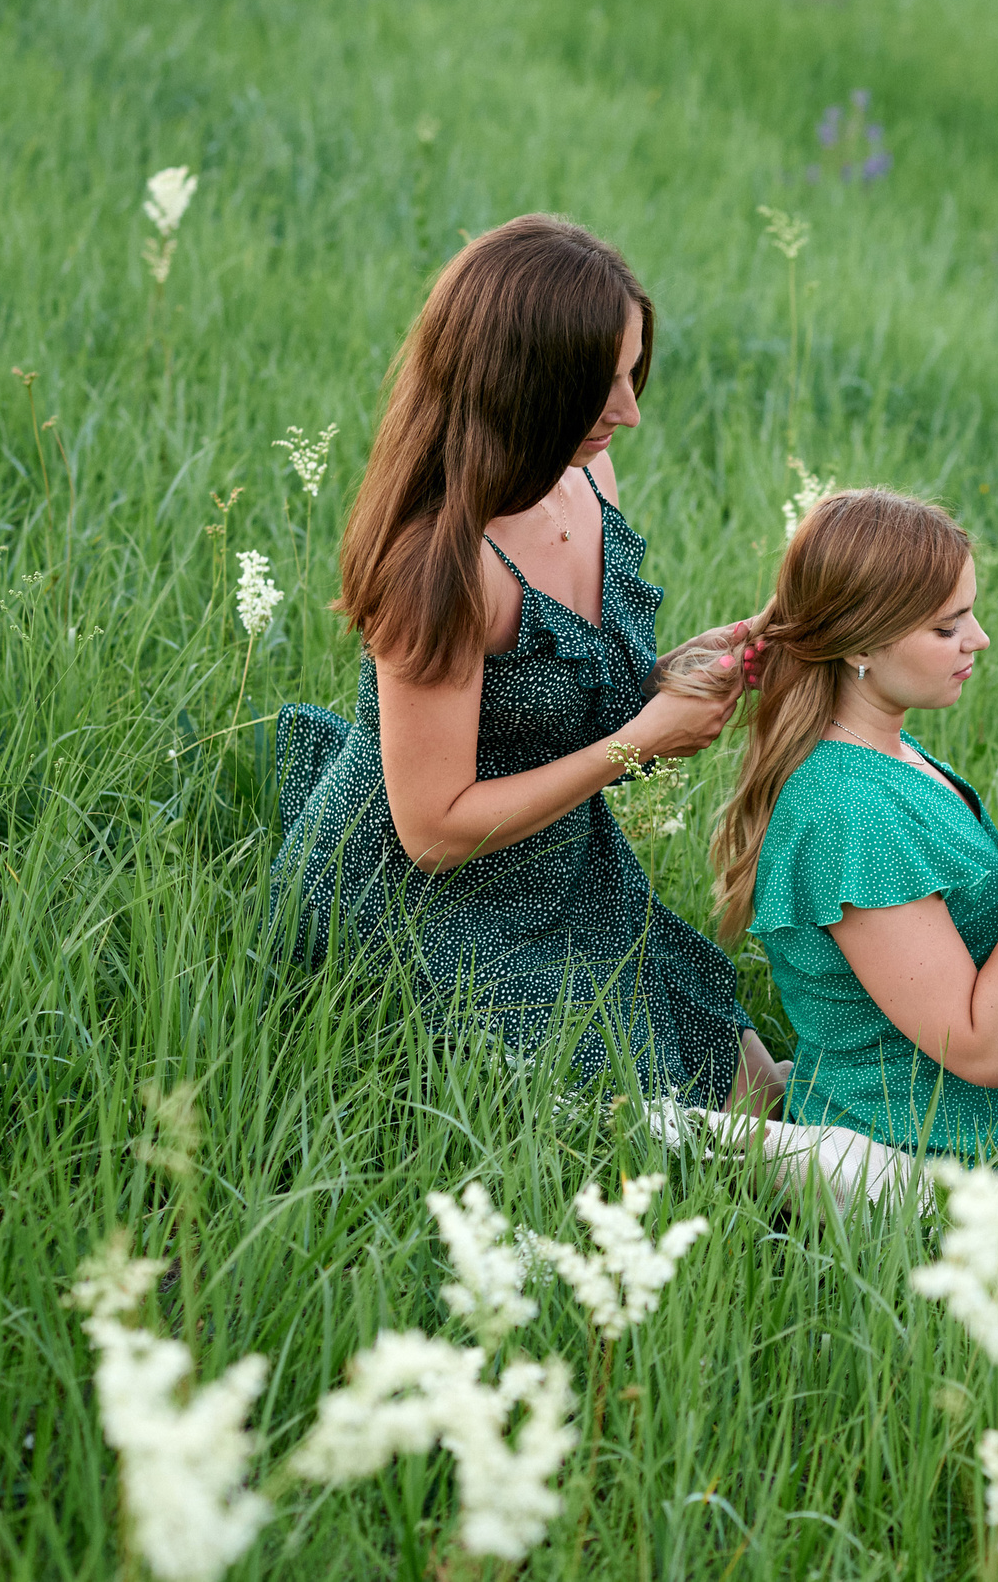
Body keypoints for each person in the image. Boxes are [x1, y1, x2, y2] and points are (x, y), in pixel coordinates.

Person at [270, 214, 781, 1111]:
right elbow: (433, 832)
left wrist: (679, 671)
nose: (628, 412)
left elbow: (564, 684)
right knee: (674, 1122)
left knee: (753, 1082)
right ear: (522, 386)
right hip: (426, 907)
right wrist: (637, 746)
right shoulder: (440, 566)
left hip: (563, 866)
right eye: (599, 388)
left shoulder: (585, 476)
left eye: (630, 374)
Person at [708, 487, 998, 1186]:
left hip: (971, 1115)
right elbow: (979, 1050)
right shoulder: (847, 811)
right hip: (937, 1146)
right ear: (860, 642)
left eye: (969, 613)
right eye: (947, 628)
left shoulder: (888, 752)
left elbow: (955, 913)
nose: (978, 639)